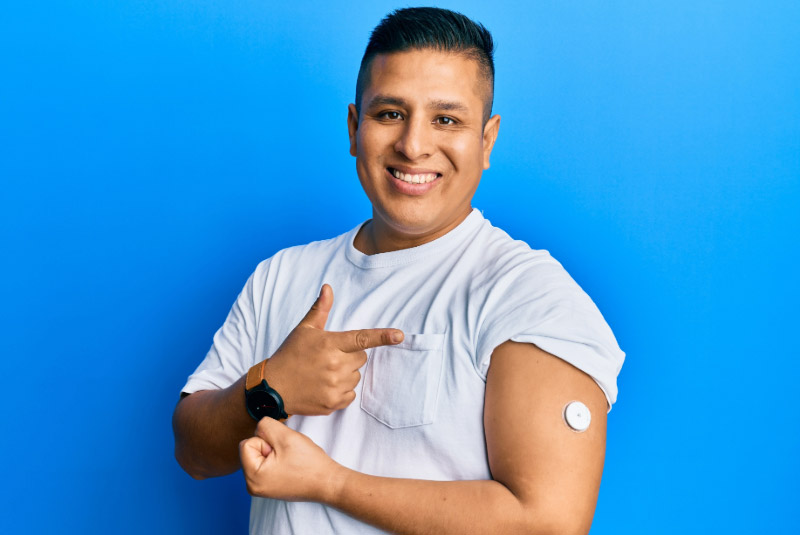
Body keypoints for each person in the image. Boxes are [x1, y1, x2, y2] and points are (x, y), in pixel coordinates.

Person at [173, 7, 625, 534]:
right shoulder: (281, 275)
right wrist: (269, 387)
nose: (413, 145)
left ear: (487, 141)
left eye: (446, 119)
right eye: (390, 113)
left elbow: (548, 523)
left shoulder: (527, 297)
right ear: (354, 128)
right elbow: (193, 454)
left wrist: (331, 483)